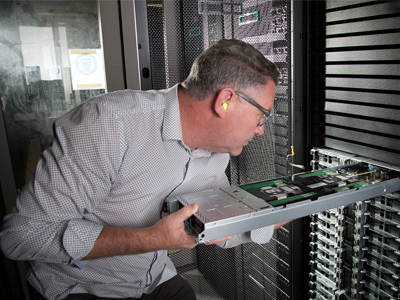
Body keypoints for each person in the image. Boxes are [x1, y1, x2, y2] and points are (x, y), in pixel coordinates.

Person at [0, 39, 289, 300]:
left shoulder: (218, 148)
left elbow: (217, 226)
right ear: (225, 101)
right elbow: (21, 236)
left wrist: (276, 213)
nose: (261, 129)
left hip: (152, 277)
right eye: (262, 114)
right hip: (81, 286)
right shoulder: (109, 125)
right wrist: (150, 240)